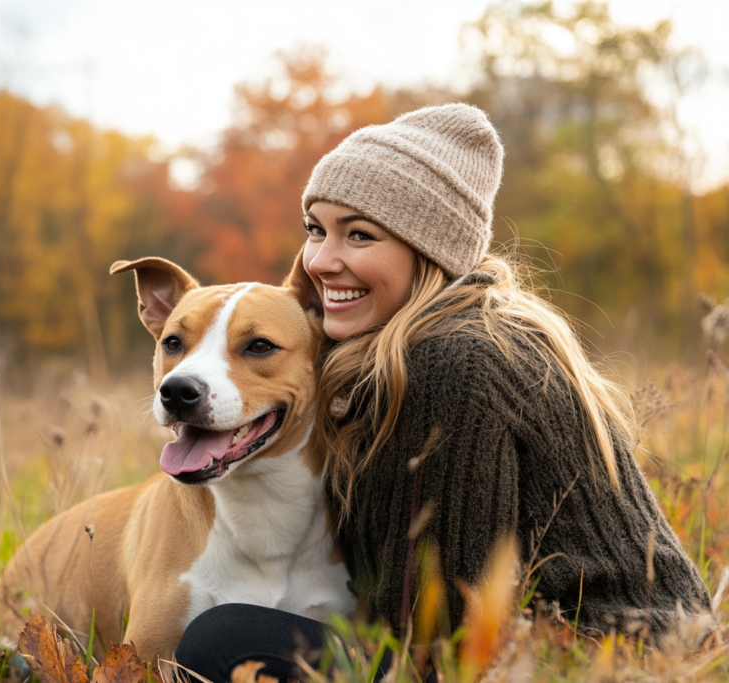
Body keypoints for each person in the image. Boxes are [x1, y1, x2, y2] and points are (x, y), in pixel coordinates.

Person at [174, 103, 712, 682]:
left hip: (607, 659)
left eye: (359, 234)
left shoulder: (453, 364)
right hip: (578, 645)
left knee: (224, 639)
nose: (321, 262)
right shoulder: (445, 340)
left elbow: (443, 639)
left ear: (427, 248)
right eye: (316, 229)